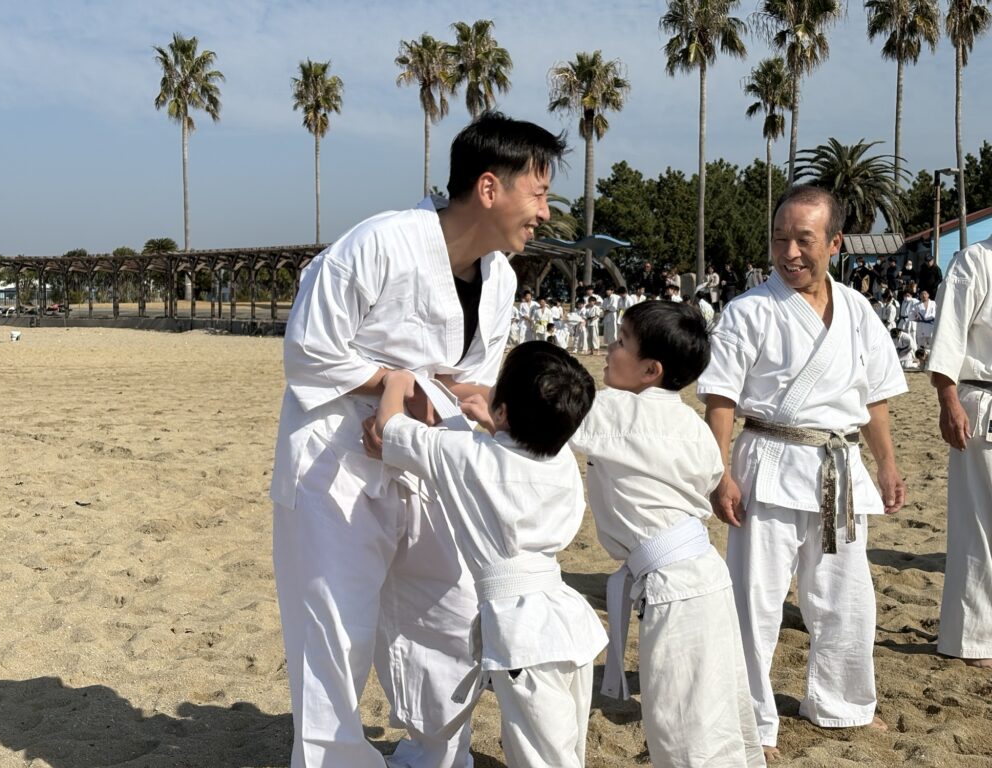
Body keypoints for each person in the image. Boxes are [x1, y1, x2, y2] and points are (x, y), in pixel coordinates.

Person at [270, 111, 567, 768]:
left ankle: (433, 754)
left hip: (431, 461)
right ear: (489, 188)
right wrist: (394, 382)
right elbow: (308, 351)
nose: (545, 213)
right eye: (539, 193)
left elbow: (470, 376)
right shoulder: (379, 244)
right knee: (333, 634)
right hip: (336, 465)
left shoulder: (500, 279)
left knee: (451, 613)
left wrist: (473, 401)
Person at [698, 185, 908, 760]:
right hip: (768, 461)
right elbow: (720, 399)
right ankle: (750, 717)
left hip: (839, 466)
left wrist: (887, 463)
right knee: (755, 601)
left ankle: (842, 703)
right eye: (779, 239)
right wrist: (720, 472)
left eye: (803, 240)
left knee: (846, 594)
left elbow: (875, 397)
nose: (789, 252)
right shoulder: (749, 311)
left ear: (835, 243)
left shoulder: (858, 311)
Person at [370, 342, 608, 767]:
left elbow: (388, 426)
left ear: (503, 411)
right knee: (565, 746)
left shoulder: (465, 455)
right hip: (567, 621)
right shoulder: (562, 463)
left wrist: (396, 380)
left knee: (538, 755)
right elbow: (514, 459)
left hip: (524, 635)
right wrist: (495, 424)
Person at [570, 301, 765, 768]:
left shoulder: (613, 411)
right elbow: (708, 474)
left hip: (673, 586)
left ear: (650, 370)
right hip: (704, 576)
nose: (609, 348)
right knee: (713, 707)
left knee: (679, 722)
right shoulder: (693, 427)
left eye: (621, 342)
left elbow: (542, 410)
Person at [927, 234, 992, 669]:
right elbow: (948, 336)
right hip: (982, 398)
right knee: (979, 523)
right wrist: (948, 400)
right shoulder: (975, 261)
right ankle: (973, 638)